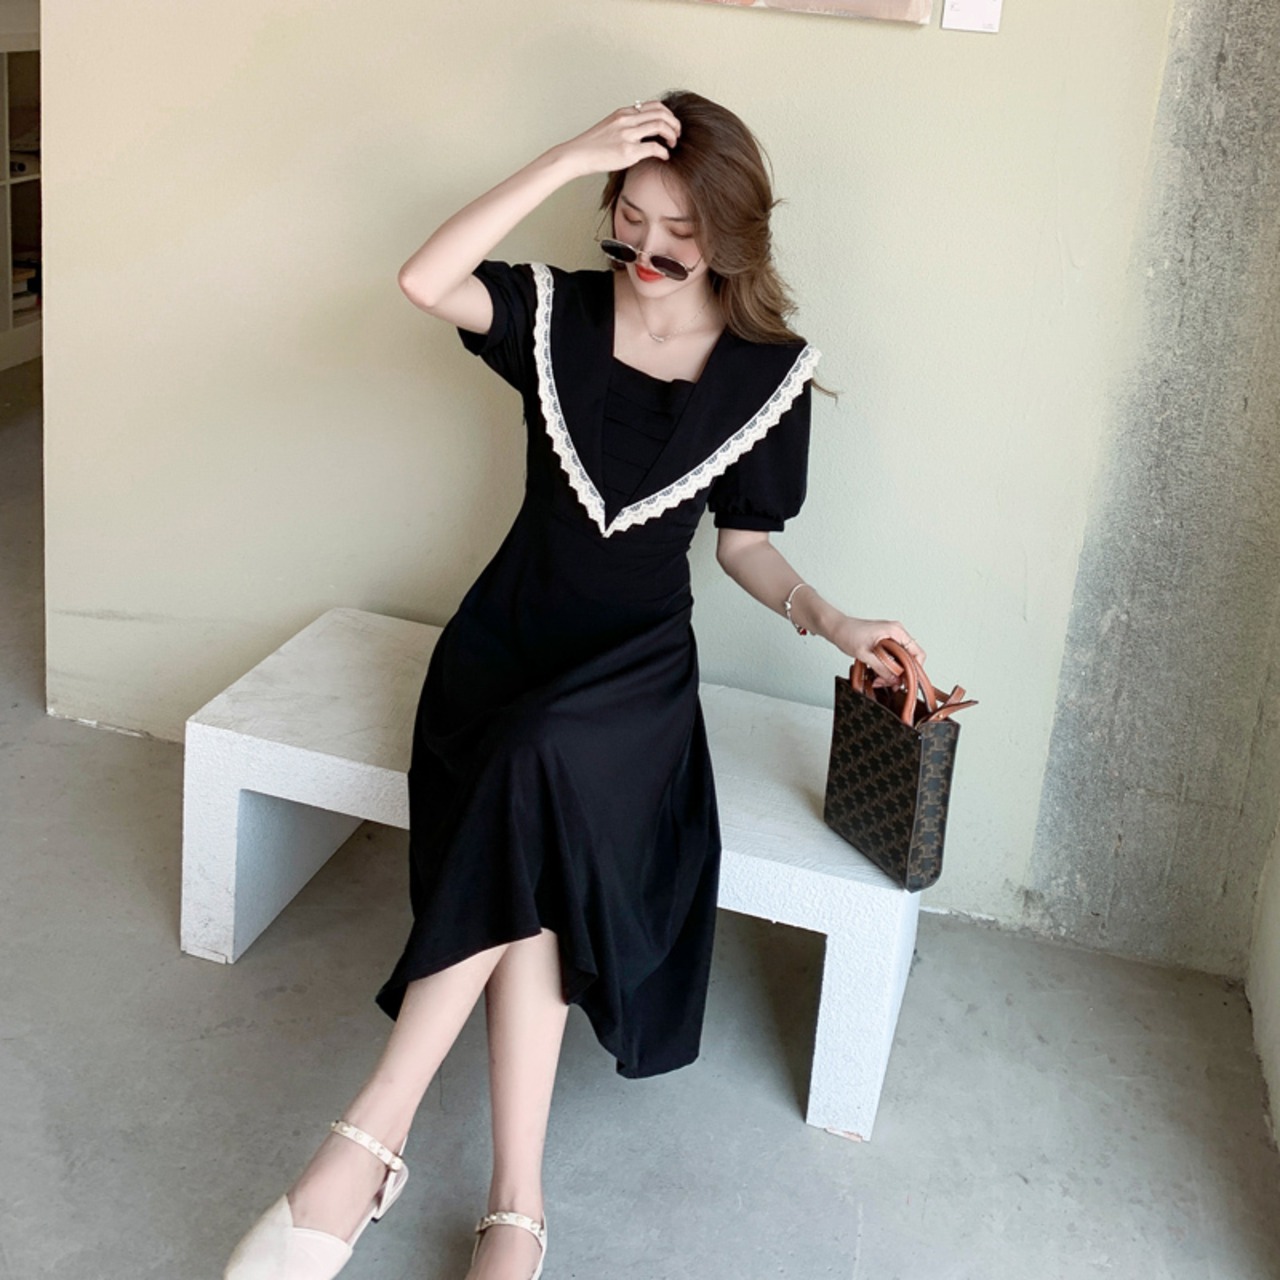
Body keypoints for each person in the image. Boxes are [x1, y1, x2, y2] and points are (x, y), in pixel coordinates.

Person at [223, 90, 926, 1280]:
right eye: (627, 218)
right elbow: (424, 279)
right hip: (500, 651)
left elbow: (745, 546)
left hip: (632, 680)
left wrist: (831, 619)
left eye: (678, 232)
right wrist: (564, 156)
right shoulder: (555, 312)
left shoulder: (768, 376)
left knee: (539, 766)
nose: (645, 251)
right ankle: (517, 1206)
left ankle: (363, 1145)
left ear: (732, 237)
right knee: (535, 809)